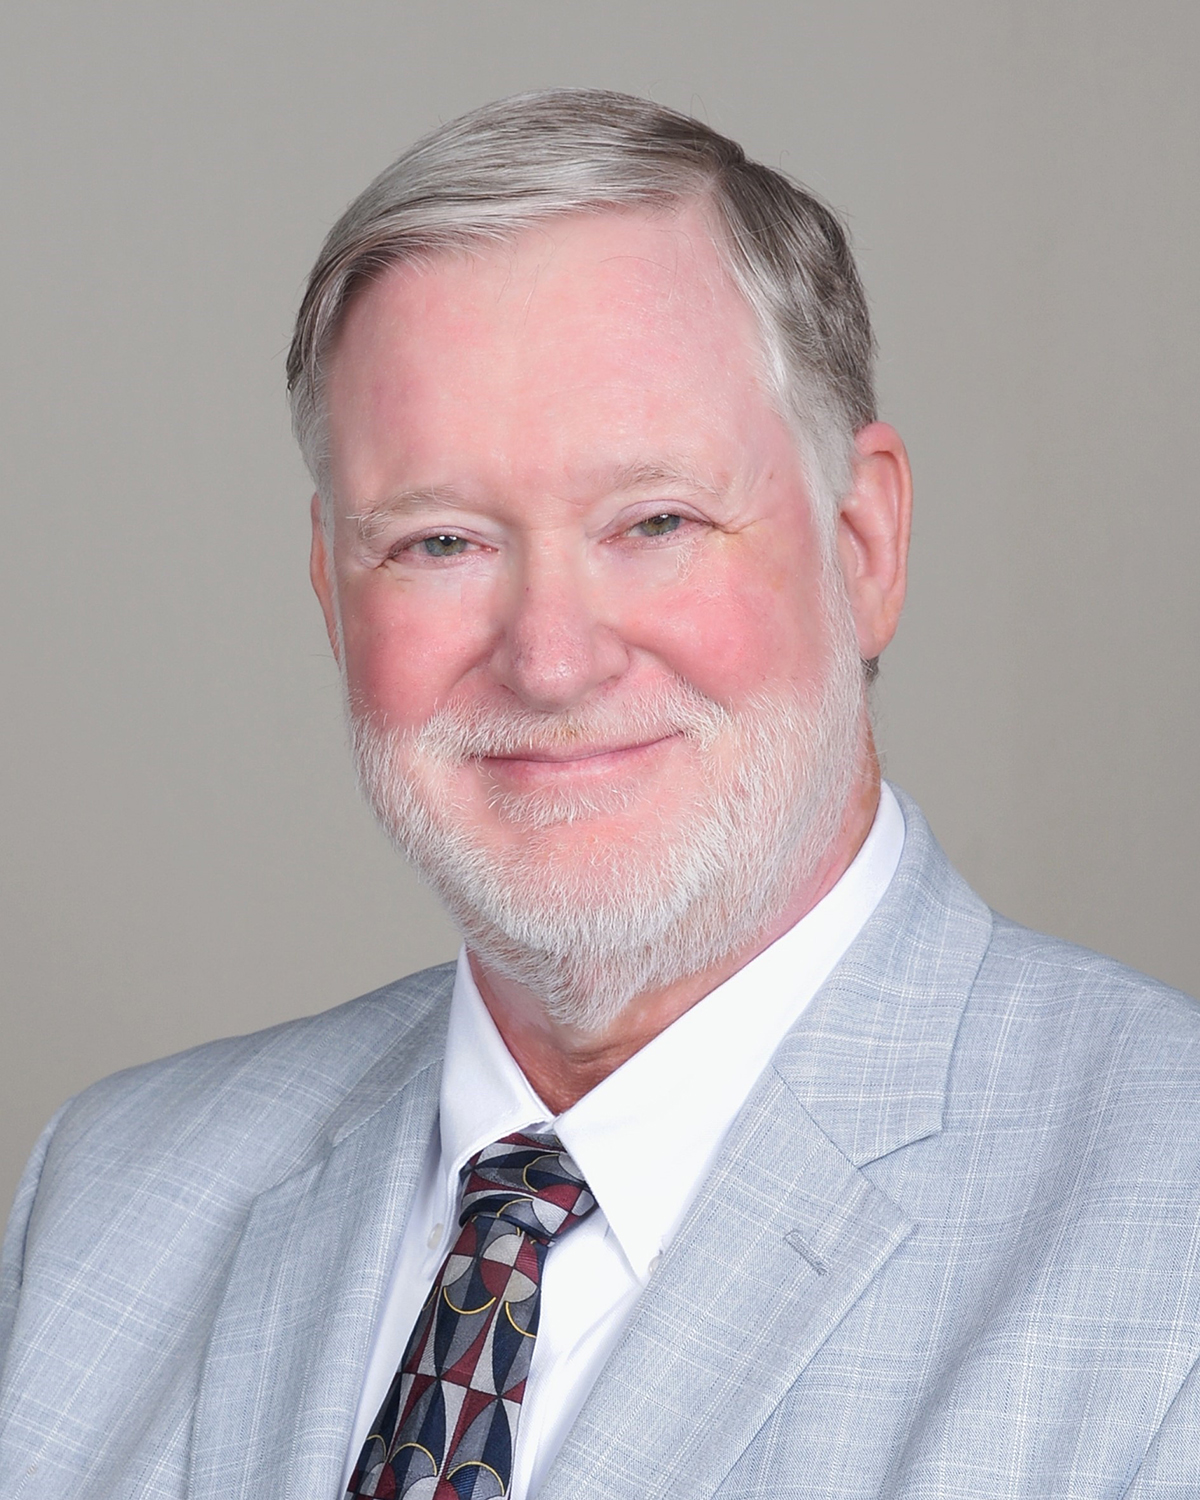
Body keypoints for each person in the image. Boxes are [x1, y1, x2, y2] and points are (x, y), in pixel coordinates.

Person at [1, 89, 1198, 1499]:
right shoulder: (109, 1198)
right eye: (440, 541)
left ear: (863, 544)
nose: (553, 659)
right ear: (332, 590)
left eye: (655, 521)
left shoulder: (1166, 1227)